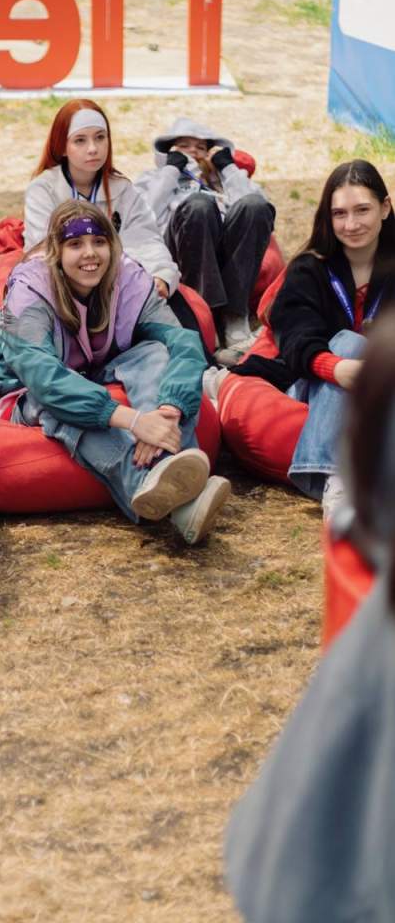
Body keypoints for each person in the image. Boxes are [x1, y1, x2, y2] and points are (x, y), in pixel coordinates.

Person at [225, 307, 395, 923]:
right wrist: (330, 365)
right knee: (350, 345)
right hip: (316, 380)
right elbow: (297, 343)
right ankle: (324, 471)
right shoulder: (313, 279)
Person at [0, 199, 231, 544]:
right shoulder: (30, 291)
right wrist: (134, 421)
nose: (90, 253)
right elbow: (44, 380)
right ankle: (153, 488)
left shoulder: (129, 278)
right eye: (75, 244)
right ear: (57, 251)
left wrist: (169, 410)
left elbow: (182, 342)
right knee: (59, 405)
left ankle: (169, 469)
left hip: (96, 370)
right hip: (26, 394)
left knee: (155, 352)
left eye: (99, 242)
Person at [232, 159, 395, 517]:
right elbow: (295, 338)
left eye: (362, 210)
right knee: (350, 343)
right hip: (309, 382)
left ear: (384, 208)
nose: (351, 224)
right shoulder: (310, 269)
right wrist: (339, 369)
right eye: (339, 214)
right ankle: (333, 480)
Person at [135, 117, 275, 363]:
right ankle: (205, 316)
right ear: (169, 151)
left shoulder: (222, 180)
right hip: (181, 250)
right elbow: (143, 216)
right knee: (199, 205)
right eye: (184, 146)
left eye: (201, 147)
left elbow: (262, 211)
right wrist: (171, 170)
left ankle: (234, 316)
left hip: (227, 254)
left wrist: (227, 169)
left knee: (254, 204)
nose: (193, 152)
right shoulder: (153, 177)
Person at [23, 99, 180, 303]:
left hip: (122, 283)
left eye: (100, 137)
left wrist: (160, 275)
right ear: (62, 147)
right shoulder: (44, 190)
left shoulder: (122, 189)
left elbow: (146, 239)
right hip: (66, 290)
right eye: (80, 140)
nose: (93, 149)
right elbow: (44, 251)